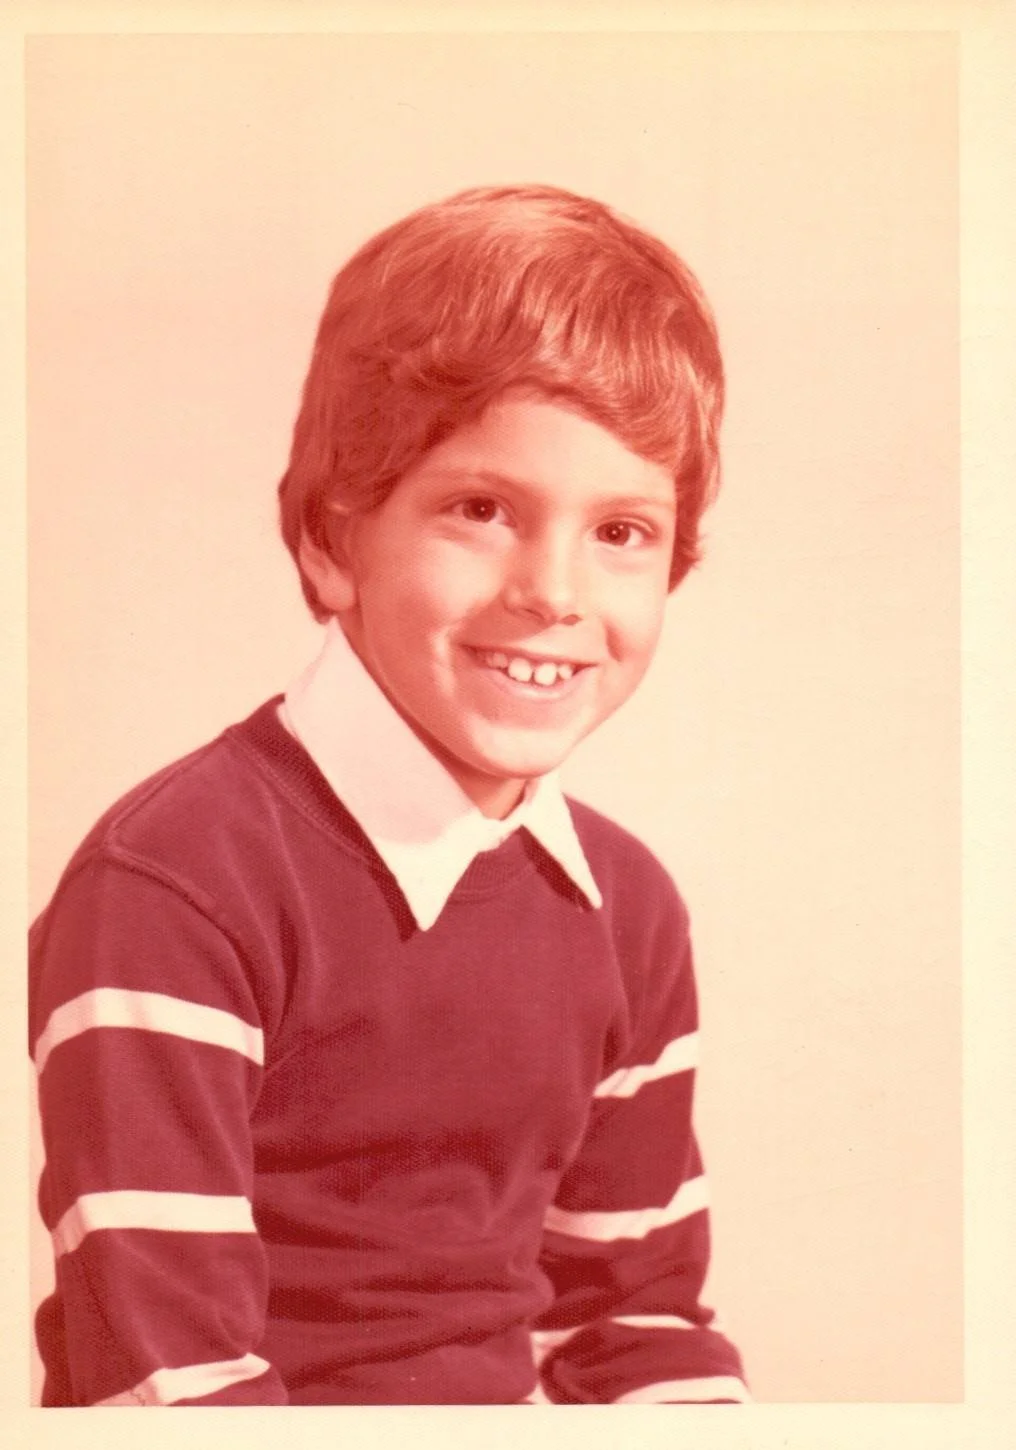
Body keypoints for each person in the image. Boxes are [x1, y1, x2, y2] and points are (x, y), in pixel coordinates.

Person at [29, 184, 749, 1406]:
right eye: (481, 510)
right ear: (331, 540)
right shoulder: (174, 884)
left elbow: (629, 1320)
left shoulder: (628, 908)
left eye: (620, 530)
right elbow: (165, 1379)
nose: (553, 593)